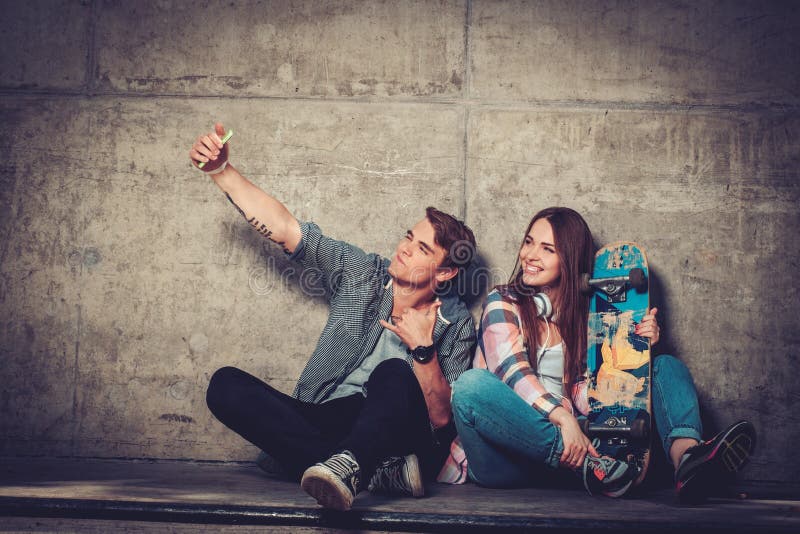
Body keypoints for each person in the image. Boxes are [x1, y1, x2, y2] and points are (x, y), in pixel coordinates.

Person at [190, 123, 477, 511]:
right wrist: (221, 171)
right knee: (225, 386)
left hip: (397, 438)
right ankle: (370, 472)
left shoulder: (455, 324)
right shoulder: (361, 273)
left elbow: (442, 421)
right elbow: (287, 229)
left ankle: (347, 461)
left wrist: (423, 351)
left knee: (392, 372)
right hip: (326, 418)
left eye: (422, 248)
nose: (405, 248)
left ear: (445, 272)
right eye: (408, 236)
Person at [437, 207, 756, 502]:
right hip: (504, 459)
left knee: (665, 366)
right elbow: (513, 372)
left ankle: (689, 462)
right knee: (470, 386)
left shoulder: (584, 319)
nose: (530, 255)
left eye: (547, 249)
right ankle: (592, 466)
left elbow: (592, 398)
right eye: (529, 242)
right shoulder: (502, 301)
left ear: (570, 259)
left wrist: (638, 350)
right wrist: (563, 420)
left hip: (568, 454)